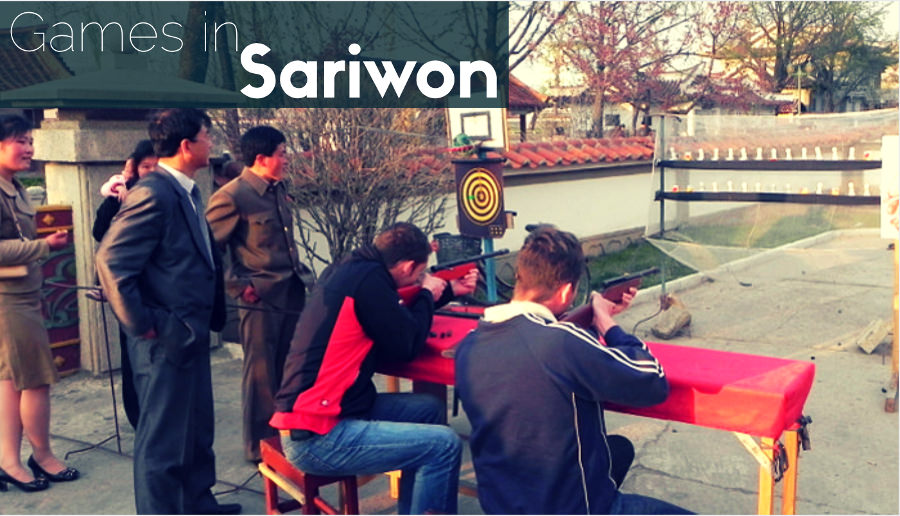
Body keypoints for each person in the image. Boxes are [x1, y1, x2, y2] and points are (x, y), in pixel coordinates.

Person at [455, 225, 691, 514]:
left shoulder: (469, 345)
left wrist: (587, 321)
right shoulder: (562, 342)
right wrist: (607, 322)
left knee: (618, 450)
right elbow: (651, 381)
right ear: (567, 290)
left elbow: (539, 356)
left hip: (503, 503)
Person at [270, 222, 475, 515]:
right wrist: (429, 294)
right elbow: (405, 344)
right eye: (419, 273)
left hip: (333, 411)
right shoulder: (370, 283)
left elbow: (394, 316)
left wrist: (447, 290)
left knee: (428, 409)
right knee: (444, 445)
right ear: (406, 267)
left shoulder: (355, 270)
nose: (420, 279)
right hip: (317, 434)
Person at [96, 109, 239, 515]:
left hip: (189, 334)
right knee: (162, 444)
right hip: (166, 339)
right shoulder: (154, 192)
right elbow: (111, 262)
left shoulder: (186, 190)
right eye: (207, 136)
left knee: (195, 432)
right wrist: (147, 326)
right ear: (186, 145)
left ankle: (197, 503)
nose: (211, 143)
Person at [205, 126, 311, 463]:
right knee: (261, 375)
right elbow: (208, 250)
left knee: (291, 367)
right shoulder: (232, 195)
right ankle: (260, 446)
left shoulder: (276, 189)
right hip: (260, 297)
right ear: (262, 158)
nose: (286, 158)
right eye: (282, 152)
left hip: (292, 290)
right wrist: (239, 286)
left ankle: (289, 434)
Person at [0, 114, 77, 493]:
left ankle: (8, 460)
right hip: (8, 300)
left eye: (30, 140)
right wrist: (45, 246)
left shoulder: (13, 186)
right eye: (20, 141)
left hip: (22, 295)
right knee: (36, 380)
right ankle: (41, 455)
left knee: (11, 381)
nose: (29, 148)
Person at [91, 139, 158, 429]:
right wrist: (120, 201)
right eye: (145, 166)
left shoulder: (170, 195)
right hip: (130, 288)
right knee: (134, 358)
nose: (151, 172)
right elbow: (99, 232)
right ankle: (139, 416)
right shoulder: (120, 194)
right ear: (133, 167)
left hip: (161, 287)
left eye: (156, 166)